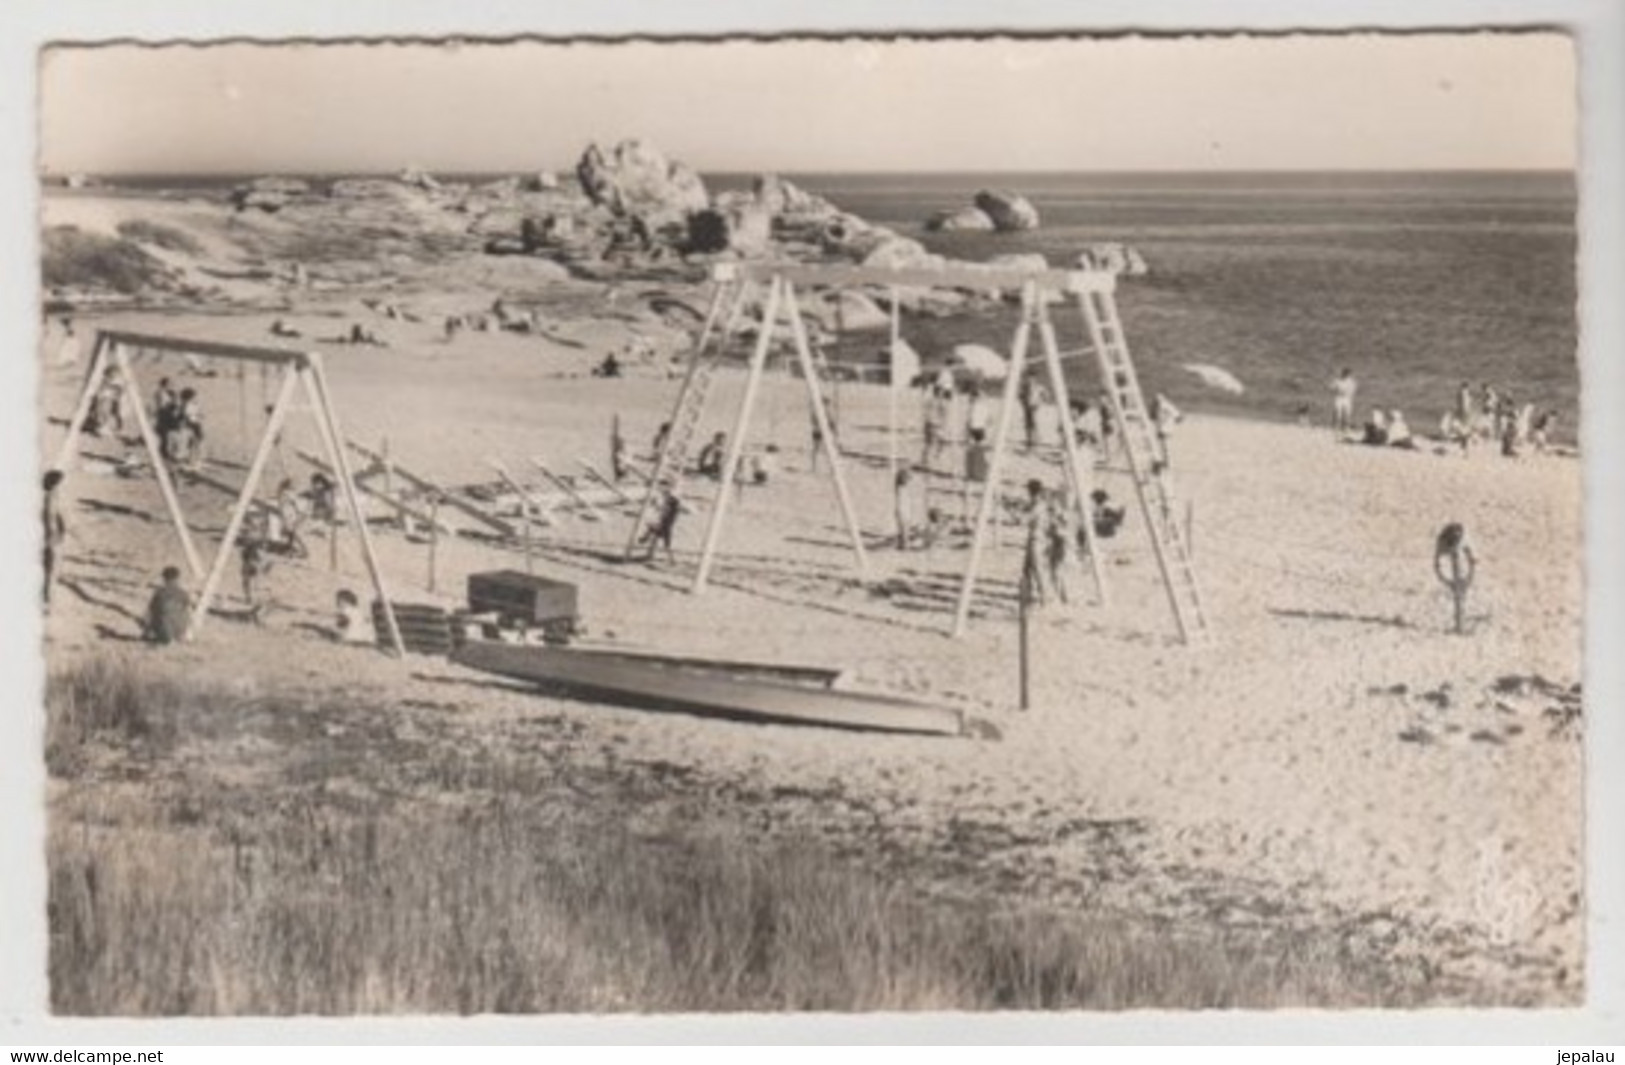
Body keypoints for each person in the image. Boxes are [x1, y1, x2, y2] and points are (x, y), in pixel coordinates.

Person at [143, 565, 191, 645]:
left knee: (152, 613)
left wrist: (147, 629)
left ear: (164, 578)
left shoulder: (159, 593)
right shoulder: (183, 593)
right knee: (185, 612)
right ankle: (183, 635)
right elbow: (187, 610)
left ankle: (153, 634)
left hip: (162, 632)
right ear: (178, 578)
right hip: (179, 631)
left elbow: (150, 611)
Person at [42, 470, 67, 609]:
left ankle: (46, 599)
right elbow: (51, 520)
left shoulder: (52, 497)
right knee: (49, 570)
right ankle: (46, 601)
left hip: (52, 538)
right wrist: (54, 537)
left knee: (50, 570)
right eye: (59, 484)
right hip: (50, 539)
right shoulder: (51, 499)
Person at [639, 487, 683, 563]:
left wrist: (665, 497)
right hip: (665, 527)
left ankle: (645, 538)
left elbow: (667, 504)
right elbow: (665, 504)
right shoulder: (672, 509)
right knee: (667, 545)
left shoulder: (671, 509)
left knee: (651, 528)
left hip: (664, 526)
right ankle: (671, 559)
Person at [237, 531, 268, 624]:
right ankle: (253, 603)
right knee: (254, 585)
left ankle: (251, 600)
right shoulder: (255, 551)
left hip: (251, 565)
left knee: (251, 584)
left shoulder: (252, 551)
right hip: (252, 565)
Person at [921, 386, 948, 470]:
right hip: (935, 425)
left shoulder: (930, 400)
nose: (942, 393)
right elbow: (944, 414)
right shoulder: (940, 401)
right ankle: (932, 458)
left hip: (929, 423)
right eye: (941, 392)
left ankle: (926, 459)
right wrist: (943, 424)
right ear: (938, 392)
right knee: (938, 442)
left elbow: (925, 413)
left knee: (929, 443)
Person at [894, 468, 917, 550]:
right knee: (904, 527)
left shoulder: (902, 488)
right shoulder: (901, 488)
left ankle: (902, 544)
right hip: (902, 509)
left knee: (904, 527)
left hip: (904, 508)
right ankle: (904, 545)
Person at [1331, 368, 1357, 436]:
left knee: (1347, 413)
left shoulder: (1351, 382)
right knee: (1337, 412)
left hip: (1347, 398)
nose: (1347, 375)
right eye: (1345, 374)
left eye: (1348, 374)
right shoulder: (1337, 380)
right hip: (1339, 397)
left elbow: (1352, 390)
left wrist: (1347, 393)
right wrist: (1337, 390)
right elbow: (1332, 388)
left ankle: (1345, 427)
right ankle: (1336, 427)